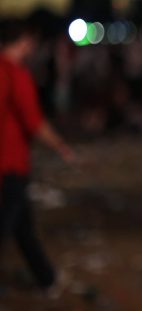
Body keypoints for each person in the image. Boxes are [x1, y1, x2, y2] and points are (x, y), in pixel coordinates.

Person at [0, 18, 74, 293]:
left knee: (23, 225)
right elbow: (34, 122)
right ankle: (46, 278)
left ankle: (46, 277)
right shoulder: (16, 74)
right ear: (25, 40)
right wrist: (61, 146)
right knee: (8, 224)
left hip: (8, 163)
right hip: (10, 163)